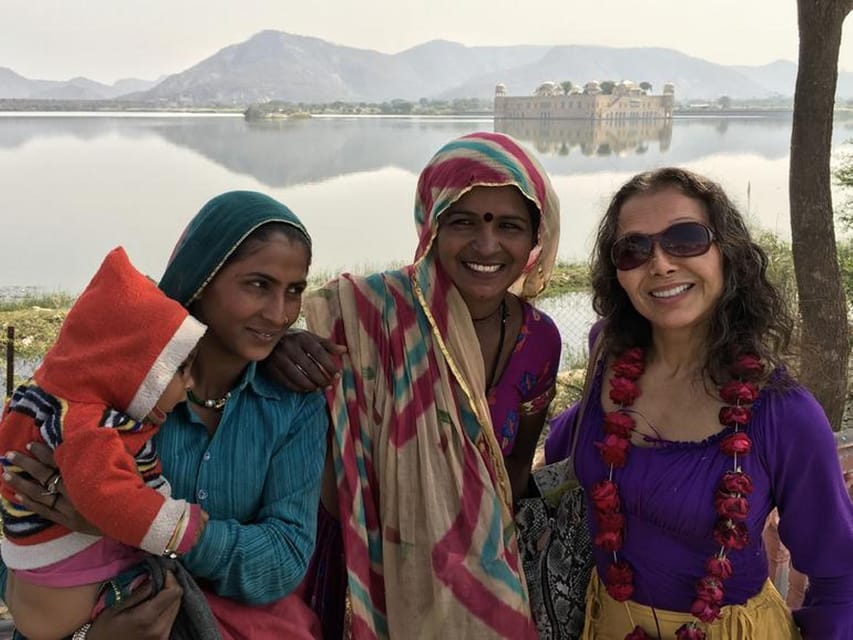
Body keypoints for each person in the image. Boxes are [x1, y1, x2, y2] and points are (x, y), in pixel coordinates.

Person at [272, 131, 562, 639]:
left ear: (534, 238)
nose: (487, 245)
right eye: (462, 222)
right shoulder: (367, 317)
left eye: (510, 226)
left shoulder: (539, 340)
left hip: (479, 576)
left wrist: (479, 557)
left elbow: (513, 465)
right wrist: (281, 348)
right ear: (430, 227)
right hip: (356, 562)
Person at [2, 191, 329, 640]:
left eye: (294, 291)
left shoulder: (293, 404)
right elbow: (22, 525)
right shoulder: (113, 379)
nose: (279, 314)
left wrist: (128, 523)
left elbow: (283, 560)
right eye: (258, 284)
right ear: (202, 278)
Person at [545, 167, 853, 639]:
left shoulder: (783, 413)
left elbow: (839, 580)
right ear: (618, 274)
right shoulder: (606, 358)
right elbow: (573, 441)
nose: (661, 264)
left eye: (686, 239)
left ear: (727, 254)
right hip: (607, 624)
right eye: (634, 249)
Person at [0, 246, 207, 640]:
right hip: (69, 598)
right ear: (131, 363)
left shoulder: (48, 394)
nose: (189, 385)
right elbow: (104, 495)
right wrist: (178, 526)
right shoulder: (84, 424)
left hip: (41, 583)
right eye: (179, 369)